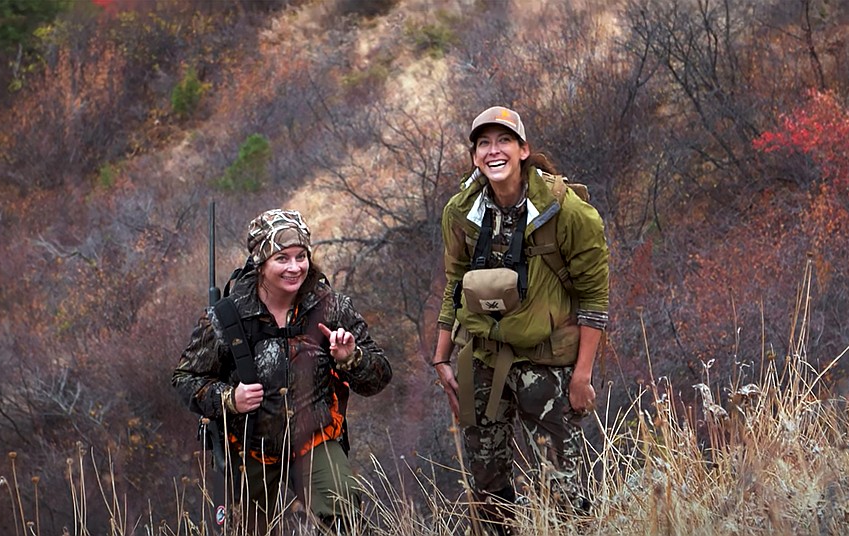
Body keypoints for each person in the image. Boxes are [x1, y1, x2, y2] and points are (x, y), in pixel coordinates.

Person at [431, 106, 609, 533]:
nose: (494, 151)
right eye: (484, 144)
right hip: (482, 360)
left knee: (564, 483)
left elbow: (594, 298)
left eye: (504, 141)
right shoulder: (461, 213)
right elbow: (454, 283)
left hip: (546, 362)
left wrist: (582, 375)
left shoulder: (568, 212)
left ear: (524, 150)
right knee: (487, 483)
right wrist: (441, 359)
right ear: (475, 156)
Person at [173, 208, 392, 534]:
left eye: (301, 256)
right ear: (261, 262)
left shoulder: (331, 307)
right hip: (250, 448)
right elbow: (185, 379)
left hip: (315, 438)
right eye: (282, 258)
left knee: (346, 520)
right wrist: (229, 399)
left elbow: (379, 377)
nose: (294, 268)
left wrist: (351, 357)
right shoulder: (227, 316)